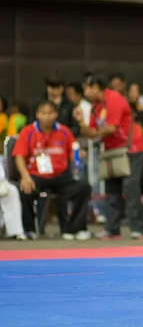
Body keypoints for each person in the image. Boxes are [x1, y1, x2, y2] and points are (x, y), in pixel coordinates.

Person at [75, 75, 143, 239]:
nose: (85, 92)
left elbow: (111, 128)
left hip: (131, 148)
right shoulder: (95, 106)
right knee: (112, 189)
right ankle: (112, 228)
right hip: (111, 151)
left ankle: (138, 228)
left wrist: (95, 133)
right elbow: (91, 133)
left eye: (86, 88)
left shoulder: (113, 98)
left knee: (130, 187)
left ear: (95, 87)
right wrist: (81, 122)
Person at [12, 100, 92, 240]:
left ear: (56, 114)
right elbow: (19, 157)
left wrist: (78, 155)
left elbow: (73, 153)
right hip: (37, 176)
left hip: (61, 177)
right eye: (43, 113)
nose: (47, 116)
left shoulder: (64, 131)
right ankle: (29, 229)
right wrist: (25, 176)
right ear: (37, 114)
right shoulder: (28, 132)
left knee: (83, 188)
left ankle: (73, 229)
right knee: (24, 189)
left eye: (50, 113)